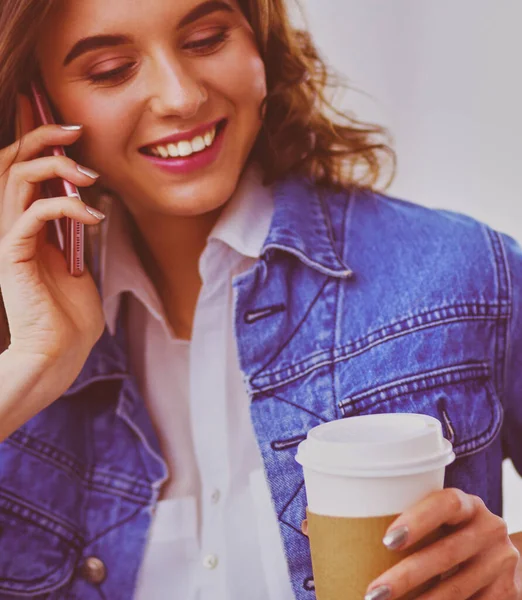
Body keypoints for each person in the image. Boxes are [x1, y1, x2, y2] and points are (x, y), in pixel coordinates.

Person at [0, 0, 521, 599]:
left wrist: (512, 571)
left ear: (259, 39)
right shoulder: (15, 334)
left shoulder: (459, 272)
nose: (180, 97)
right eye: (113, 69)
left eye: (206, 38)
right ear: (33, 105)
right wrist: (29, 368)